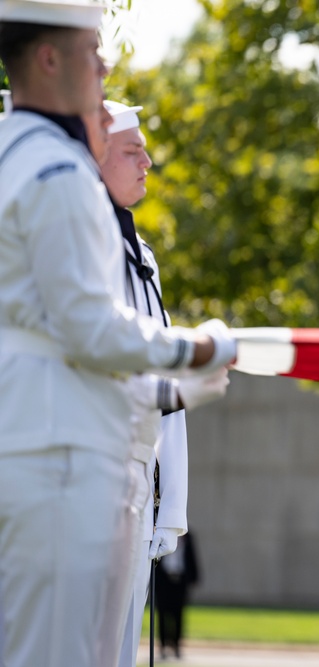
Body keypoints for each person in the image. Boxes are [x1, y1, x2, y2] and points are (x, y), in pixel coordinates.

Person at [0, 3, 235, 667]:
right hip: (60, 452)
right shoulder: (55, 167)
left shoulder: (15, 152)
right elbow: (92, 328)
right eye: (91, 50)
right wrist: (200, 349)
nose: (102, 66)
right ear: (49, 58)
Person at [85, 100, 200, 667]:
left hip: (132, 473)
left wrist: (171, 504)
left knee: (120, 649)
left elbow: (167, 389)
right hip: (83, 469)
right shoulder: (75, 241)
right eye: (133, 151)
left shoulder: (143, 255)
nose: (148, 162)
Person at [154, 530, 200, 660]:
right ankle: (163, 646)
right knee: (162, 614)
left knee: (178, 614)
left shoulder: (188, 536)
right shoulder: (162, 533)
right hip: (164, 580)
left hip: (180, 580)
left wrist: (194, 577)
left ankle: (176, 646)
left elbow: (192, 556)